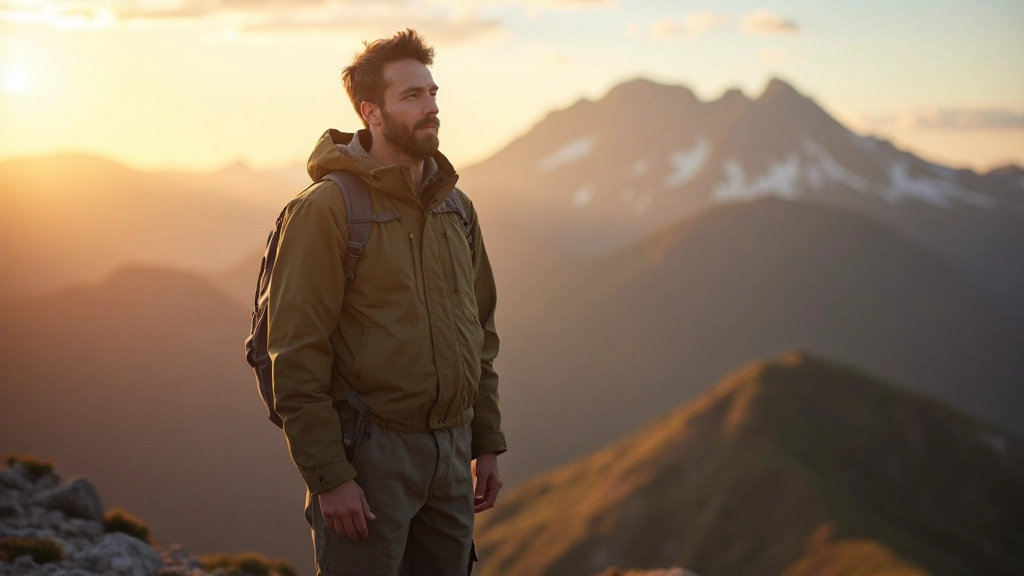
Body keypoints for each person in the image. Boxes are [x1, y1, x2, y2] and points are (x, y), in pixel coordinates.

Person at [266, 28, 506, 575]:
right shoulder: (328, 209)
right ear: (372, 112)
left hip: (451, 453)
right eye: (413, 96)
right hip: (370, 456)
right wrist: (329, 476)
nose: (432, 108)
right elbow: (296, 352)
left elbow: (481, 333)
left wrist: (485, 440)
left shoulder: (456, 209)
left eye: (433, 92)